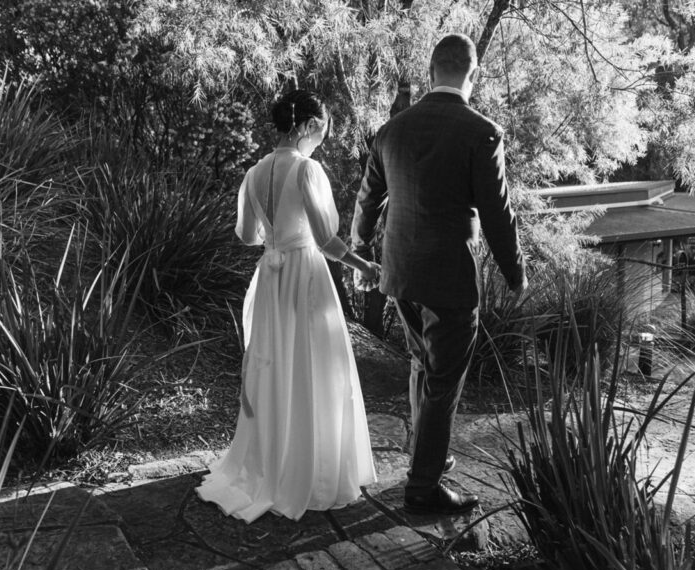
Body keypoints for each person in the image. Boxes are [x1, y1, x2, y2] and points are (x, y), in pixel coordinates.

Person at [351, 34, 527, 516]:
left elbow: (369, 199)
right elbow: (497, 213)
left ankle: (422, 454)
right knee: (444, 377)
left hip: (401, 272)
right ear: (474, 73)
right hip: (449, 276)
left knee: (420, 362)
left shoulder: (392, 130)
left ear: (431, 71)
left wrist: (361, 249)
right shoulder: (482, 132)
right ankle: (423, 486)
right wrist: (516, 273)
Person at [196, 89, 380, 523]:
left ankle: (269, 462)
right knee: (315, 365)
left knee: (275, 364)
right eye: (322, 129)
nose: (323, 138)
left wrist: (275, 239)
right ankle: (309, 469)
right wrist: (364, 265)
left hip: (272, 277)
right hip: (305, 277)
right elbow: (327, 241)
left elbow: (246, 236)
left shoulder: (254, 173)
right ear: (306, 126)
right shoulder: (306, 170)